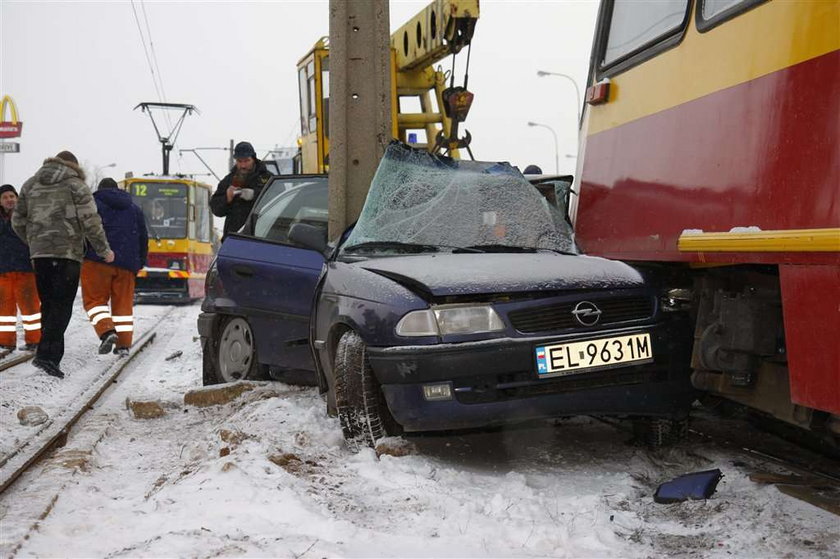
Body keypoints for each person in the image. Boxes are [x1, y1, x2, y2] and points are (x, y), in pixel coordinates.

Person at [12, 151, 114, 378]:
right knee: (61, 305)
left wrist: (34, 241)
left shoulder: (30, 184)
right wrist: (103, 250)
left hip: (40, 255)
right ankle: (47, 357)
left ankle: (46, 353)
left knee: (48, 303)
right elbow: (91, 221)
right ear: (73, 166)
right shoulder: (75, 185)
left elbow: (17, 220)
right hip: (67, 253)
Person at [81, 177, 148, 356]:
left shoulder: (93, 205)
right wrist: (139, 262)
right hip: (127, 264)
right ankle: (124, 345)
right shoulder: (134, 209)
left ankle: (106, 331)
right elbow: (143, 237)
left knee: (95, 302)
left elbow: (84, 231)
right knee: (123, 307)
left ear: (100, 189)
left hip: (97, 261)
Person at [0, 184, 41, 353]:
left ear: (17, 198)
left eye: (12, 196)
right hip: (3, 271)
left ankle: (34, 340)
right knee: (4, 310)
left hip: (25, 269)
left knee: (31, 308)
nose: (9, 200)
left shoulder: (27, 217)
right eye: (5, 197)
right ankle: (6, 342)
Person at [210, 141, 271, 238]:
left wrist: (254, 195)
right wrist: (227, 198)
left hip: (262, 236)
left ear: (253, 159)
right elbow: (216, 209)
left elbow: (280, 199)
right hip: (234, 237)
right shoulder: (228, 180)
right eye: (239, 161)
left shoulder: (268, 178)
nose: (243, 165)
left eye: (246, 161)